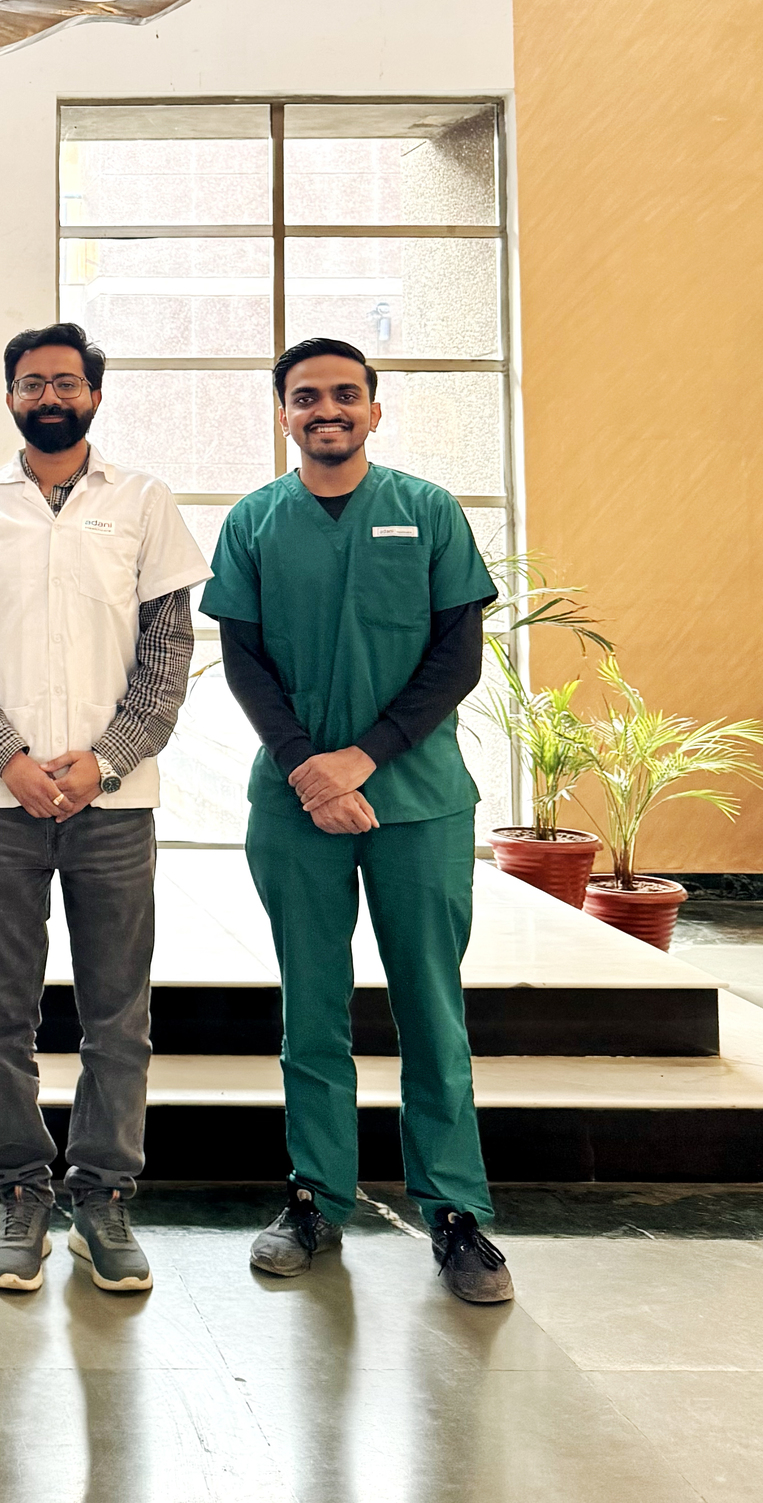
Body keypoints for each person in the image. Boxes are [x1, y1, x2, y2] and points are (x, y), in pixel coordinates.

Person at [200, 336, 512, 1304]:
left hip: (415, 802)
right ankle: (315, 1196)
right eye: (305, 397)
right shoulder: (254, 523)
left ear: (377, 410)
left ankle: (455, 1212)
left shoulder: (426, 514)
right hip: (297, 807)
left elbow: (457, 658)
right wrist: (308, 769)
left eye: (344, 395)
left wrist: (361, 758)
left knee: (431, 1007)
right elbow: (245, 661)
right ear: (283, 414)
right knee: (313, 1006)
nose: (325, 410)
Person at [0, 322, 209, 1296]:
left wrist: (104, 760)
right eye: (33, 381)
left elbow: (169, 656)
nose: (50, 394)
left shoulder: (143, 503)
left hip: (113, 805)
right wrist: (10, 757)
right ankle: (21, 1187)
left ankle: (105, 1194)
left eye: (67, 381)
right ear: (10, 398)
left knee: (117, 1015)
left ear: (93, 395)